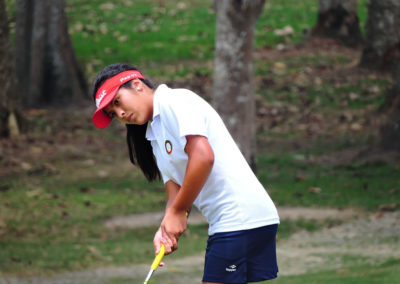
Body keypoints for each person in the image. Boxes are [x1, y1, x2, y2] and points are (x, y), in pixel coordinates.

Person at [92, 63, 280, 284]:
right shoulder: (154, 133)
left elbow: (203, 156)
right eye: (113, 113)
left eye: (117, 102)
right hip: (240, 220)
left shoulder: (174, 101)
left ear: (137, 85)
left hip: (239, 218)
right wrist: (166, 227)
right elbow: (175, 185)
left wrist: (179, 211)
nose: (120, 113)